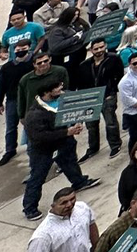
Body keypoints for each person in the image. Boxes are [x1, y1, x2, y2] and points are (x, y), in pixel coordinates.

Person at [22, 78, 100, 221]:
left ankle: (79, 182)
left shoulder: (63, 98)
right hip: (43, 150)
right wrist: (66, 132)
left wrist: (76, 123)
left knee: (70, 163)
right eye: (57, 87)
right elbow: (39, 136)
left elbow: (77, 110)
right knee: (37, 177)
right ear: (47, 92)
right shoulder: (35, 114)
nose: (61, 89)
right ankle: (30, 208)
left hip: (64, 143)